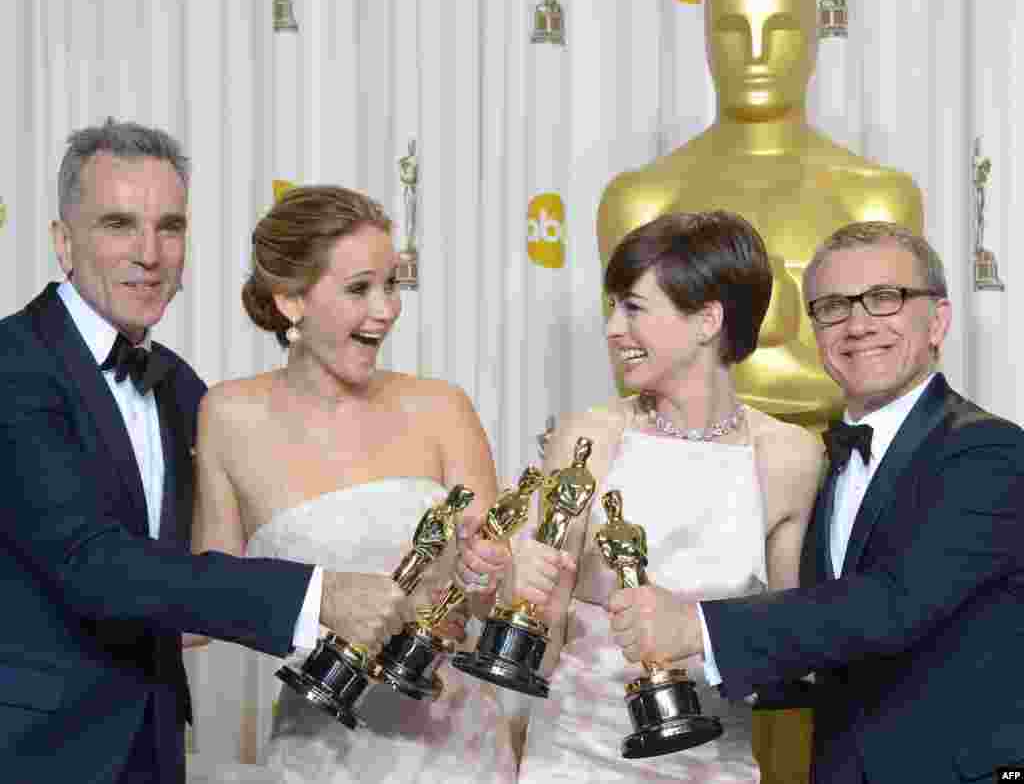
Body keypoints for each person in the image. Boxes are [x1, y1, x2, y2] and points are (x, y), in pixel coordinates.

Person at [0, 120, 406, 784]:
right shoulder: (13, 366)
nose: (149, 254)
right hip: (36, 753)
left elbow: (208, 559)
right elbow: (91, 564)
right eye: (119, 225)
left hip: (154, 746)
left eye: (170, 227)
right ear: (62, 242)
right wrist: (316, 595)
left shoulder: (182, 387)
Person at [607, 222, 1024, 783]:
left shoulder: (988, 451)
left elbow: (895, 603)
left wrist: (698, 628)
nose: (858, 324)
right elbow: (817, 642)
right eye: (832, 307)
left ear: (938, 321)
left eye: (885, 298)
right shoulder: (818, 462)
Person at [191, 184, 518, 783]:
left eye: (391, 285)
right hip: (318, 754)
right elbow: (208, 600)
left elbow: (490, 598)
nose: (386, 309)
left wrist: (489, 574)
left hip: (456, 754)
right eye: (359, 288)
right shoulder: (228, 415)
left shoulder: (442, 407)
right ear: (291, 300)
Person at [488, 211, 823, 781]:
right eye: (612, 307)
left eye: (634, 308)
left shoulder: (790, 456)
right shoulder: (588, 438)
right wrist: (507, 584)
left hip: (715, 763)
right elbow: (541, 628)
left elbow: (786, 651)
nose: (613, 328)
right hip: (575, 759)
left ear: (707, 320)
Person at [597, 0, 923, 431]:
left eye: (780, 28)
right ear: (706, 40)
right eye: (733, 29)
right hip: (684, 457)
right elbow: (634, 377)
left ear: (813, 38)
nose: (756, 52)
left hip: (837, 461)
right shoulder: (640, 200)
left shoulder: (879, 199)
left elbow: (896, 381)